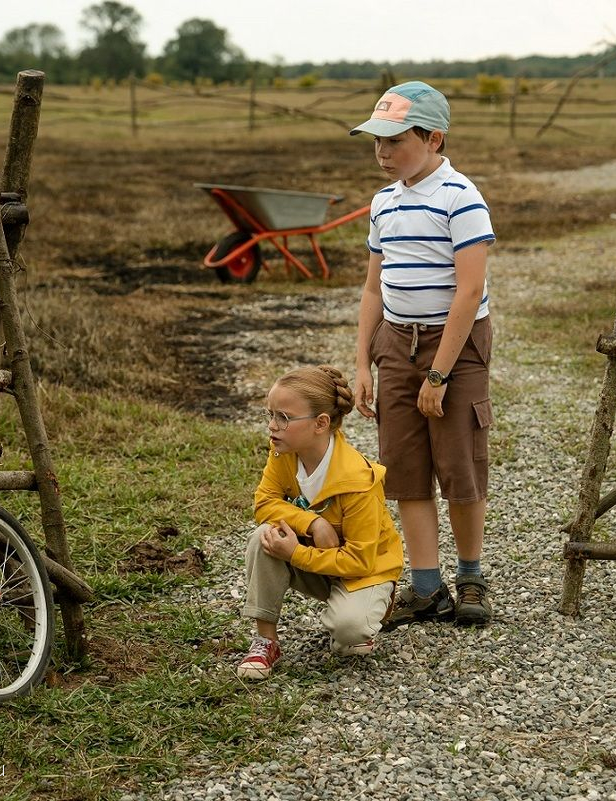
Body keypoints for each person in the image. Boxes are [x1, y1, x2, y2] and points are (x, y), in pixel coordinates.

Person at [349, 81, 496, 629]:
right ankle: (427, 588)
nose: (383, 153)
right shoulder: (383, 203)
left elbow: (469, 291)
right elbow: (372, 288)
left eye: (394, 141)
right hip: (396, 342)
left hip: (453, 346)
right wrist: (364, 362)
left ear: (434, 138)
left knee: (459, 462)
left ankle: (472, 576)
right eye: (377, 142)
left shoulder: (461, 197)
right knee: (405, 467)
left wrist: (438, 374)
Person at [237, 365, 404, 680]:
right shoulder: (283, 454)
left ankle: (369, 612)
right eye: (270, 415)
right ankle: (266, 640)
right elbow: (265, 503)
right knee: (265, 536)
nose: (272, 426)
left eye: (283, 418)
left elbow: (360, 560)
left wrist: (296, 554)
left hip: (364, 572)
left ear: (321, 423)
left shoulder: (359, 481)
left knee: (349, 634)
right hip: (321, 558)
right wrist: (312, 524)